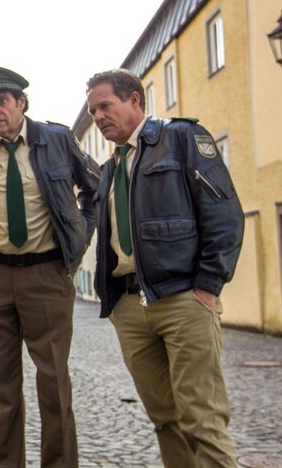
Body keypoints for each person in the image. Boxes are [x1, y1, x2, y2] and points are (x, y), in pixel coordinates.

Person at [0, 65, 99, 468]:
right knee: (4, 388)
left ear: (22, 103)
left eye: (2, 102)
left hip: (47, 274)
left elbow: (94, 190)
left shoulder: (57, 140)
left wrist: (79, 240)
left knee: (54, 381)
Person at [86, 69, 243, 467]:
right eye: (92, 111)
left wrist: (208, 284)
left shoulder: (182, 138)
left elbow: (224, 215)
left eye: (105, 106)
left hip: (183, 299)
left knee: (202, 420)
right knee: (165, 420)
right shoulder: (110, 169)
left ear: (134, 100)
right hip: (129, 306)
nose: (98, 116)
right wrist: (114, 305)